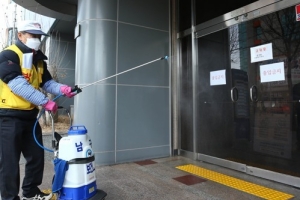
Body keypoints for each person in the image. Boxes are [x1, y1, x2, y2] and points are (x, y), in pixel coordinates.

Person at [0, 20, 75, 200]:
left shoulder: (38, 60)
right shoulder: (8, 55)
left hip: (30, 117)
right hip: (8, 117)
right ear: (20, 35)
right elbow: (17, 85)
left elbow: (47, 83)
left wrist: (63, 89)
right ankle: (10, 198)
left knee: (35, 157)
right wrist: (44, 102)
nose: (36, 39)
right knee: (9, 162)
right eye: (32, 35)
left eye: (39, 36)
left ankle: (31, 192)